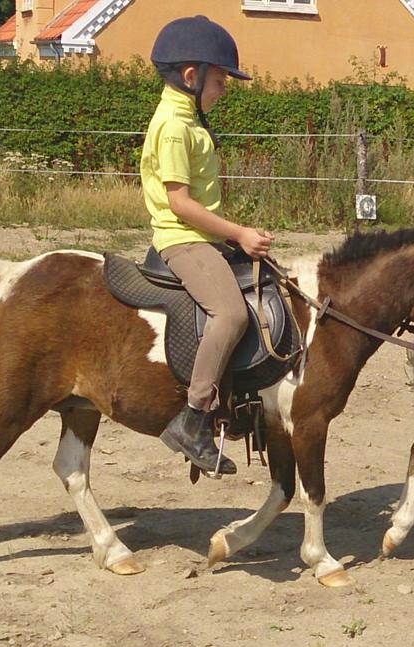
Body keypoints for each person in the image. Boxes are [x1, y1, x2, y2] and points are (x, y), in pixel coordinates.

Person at [141, 15, 273, 475]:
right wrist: (237, 233)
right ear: (192, 77)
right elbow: (179, 203)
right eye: (220, 81)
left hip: (204, 237)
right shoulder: (174, 128)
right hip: (183, 240)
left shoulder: (189, 121)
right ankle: (193, 417)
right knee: (232, 313)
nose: (223, 90)